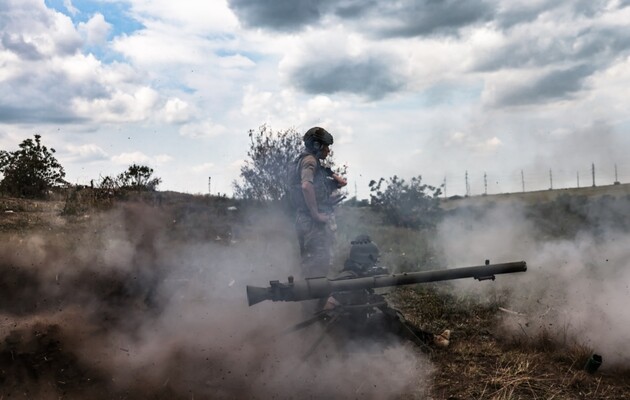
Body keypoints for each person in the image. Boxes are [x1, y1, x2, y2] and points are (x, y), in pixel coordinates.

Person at [290, 127, 347, 279]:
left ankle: (315, 300)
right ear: (316, 145)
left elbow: (342, 183)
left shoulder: (313, 163)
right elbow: (306, 186)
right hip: (311, 222)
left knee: (313, 264)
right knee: (317, 266)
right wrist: (316, 214)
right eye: (326, 146)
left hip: (305, 219)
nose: (328, 150)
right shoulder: (309, 161)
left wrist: (328, 174)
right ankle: (316, 301)